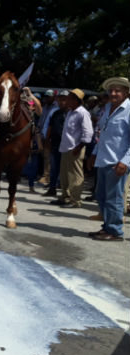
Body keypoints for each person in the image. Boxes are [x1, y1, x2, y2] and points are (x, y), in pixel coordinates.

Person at [86, 77, 130, 241]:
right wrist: (94, 153)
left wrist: (125, 161)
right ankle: (107, 227)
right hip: (103, 159)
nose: (113, 93)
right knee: (102, 196)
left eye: (118, 90)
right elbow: (102, 133)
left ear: (126, 92)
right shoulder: (107, 108)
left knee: (114, 198)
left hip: (117, 162)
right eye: (111, 90)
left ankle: (115, 231)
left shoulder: (129, 110)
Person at [51, 89, 94, 208]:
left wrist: (79, 147)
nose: (67, 100)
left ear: (76, 100)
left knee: (75, 175)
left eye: (69, 98)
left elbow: (88, 133)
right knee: (64, 175)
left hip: (75, 148)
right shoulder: (71, 112)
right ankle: (65, 197)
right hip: (66, 147)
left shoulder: (82, 113)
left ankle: (75, 200)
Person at [43, 90, 70, 197]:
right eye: (59, 99)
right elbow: (50, 127)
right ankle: (52, 188)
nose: (61, 102)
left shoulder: (72, 113)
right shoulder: (56, 113)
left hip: (67, 146)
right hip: (55, 144)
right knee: (54, 167)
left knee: (66, 170)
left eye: (64, 100)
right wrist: (47, 140)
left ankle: (66, 192)